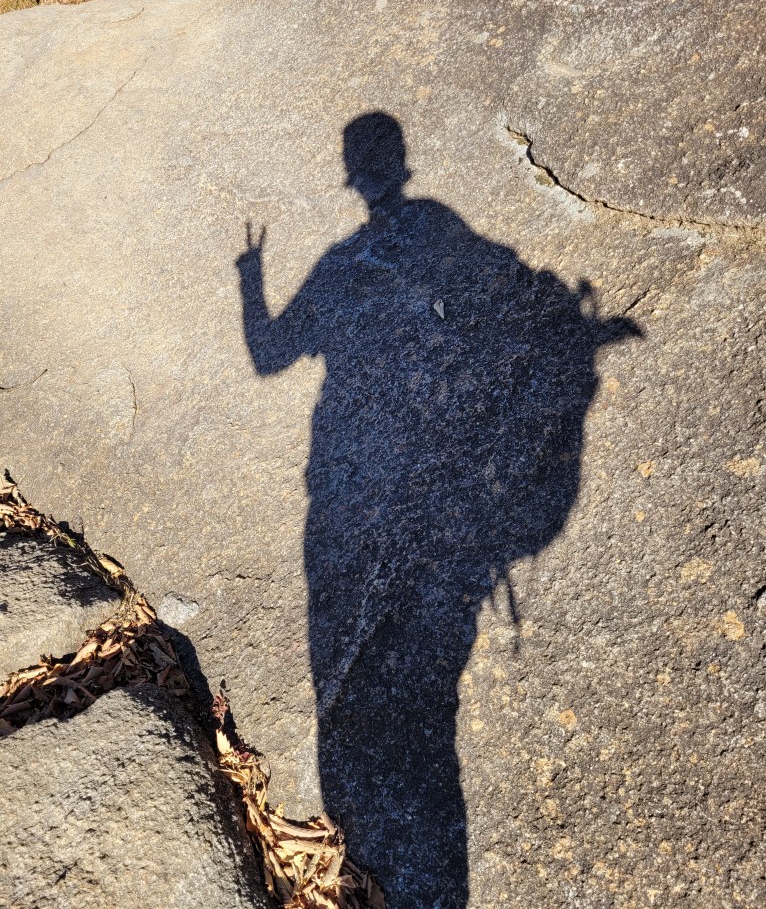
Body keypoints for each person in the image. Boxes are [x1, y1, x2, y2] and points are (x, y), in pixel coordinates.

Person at [237, 111, 638, 908]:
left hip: (350, 480)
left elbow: (269, 354)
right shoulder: (433, 227)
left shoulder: (344, 261)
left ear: (355, 175)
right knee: (422, 669)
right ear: (398, 165)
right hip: (430, 475)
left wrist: (250, 276)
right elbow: (508, 286)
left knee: (365, 658)